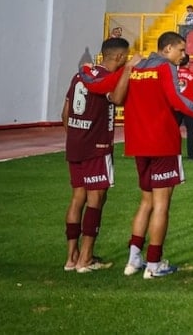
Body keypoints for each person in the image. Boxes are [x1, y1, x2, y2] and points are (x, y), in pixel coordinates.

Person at [118, 31, 193, 279]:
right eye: (181, 50)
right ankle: (154, 264)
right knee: (162, 205)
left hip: (138, 143)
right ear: (167, 49)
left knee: (146, 202)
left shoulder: (136, 68)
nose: (184, 55)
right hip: (162, 143)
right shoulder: (165, 68)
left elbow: (121, 98)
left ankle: (134, 260)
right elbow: (177, 100)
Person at [61, 37, 131, 273]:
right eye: (126, 57)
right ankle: (86, 259)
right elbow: (119, 99)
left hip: (75, 145)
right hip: (97, 147)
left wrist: (75, 136)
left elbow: (66, 112)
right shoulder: (107, 80)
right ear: (120, 57)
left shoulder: (81, 75)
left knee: (76, 198)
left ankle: (71, 257)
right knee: (96, 200)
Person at [175, 54, 193, 160]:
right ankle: (192, 155)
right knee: (191, 131)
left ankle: (173, 153)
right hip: (190, 107)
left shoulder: (172, 75)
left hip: (176, 106)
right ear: (188, 63)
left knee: (173, 131)